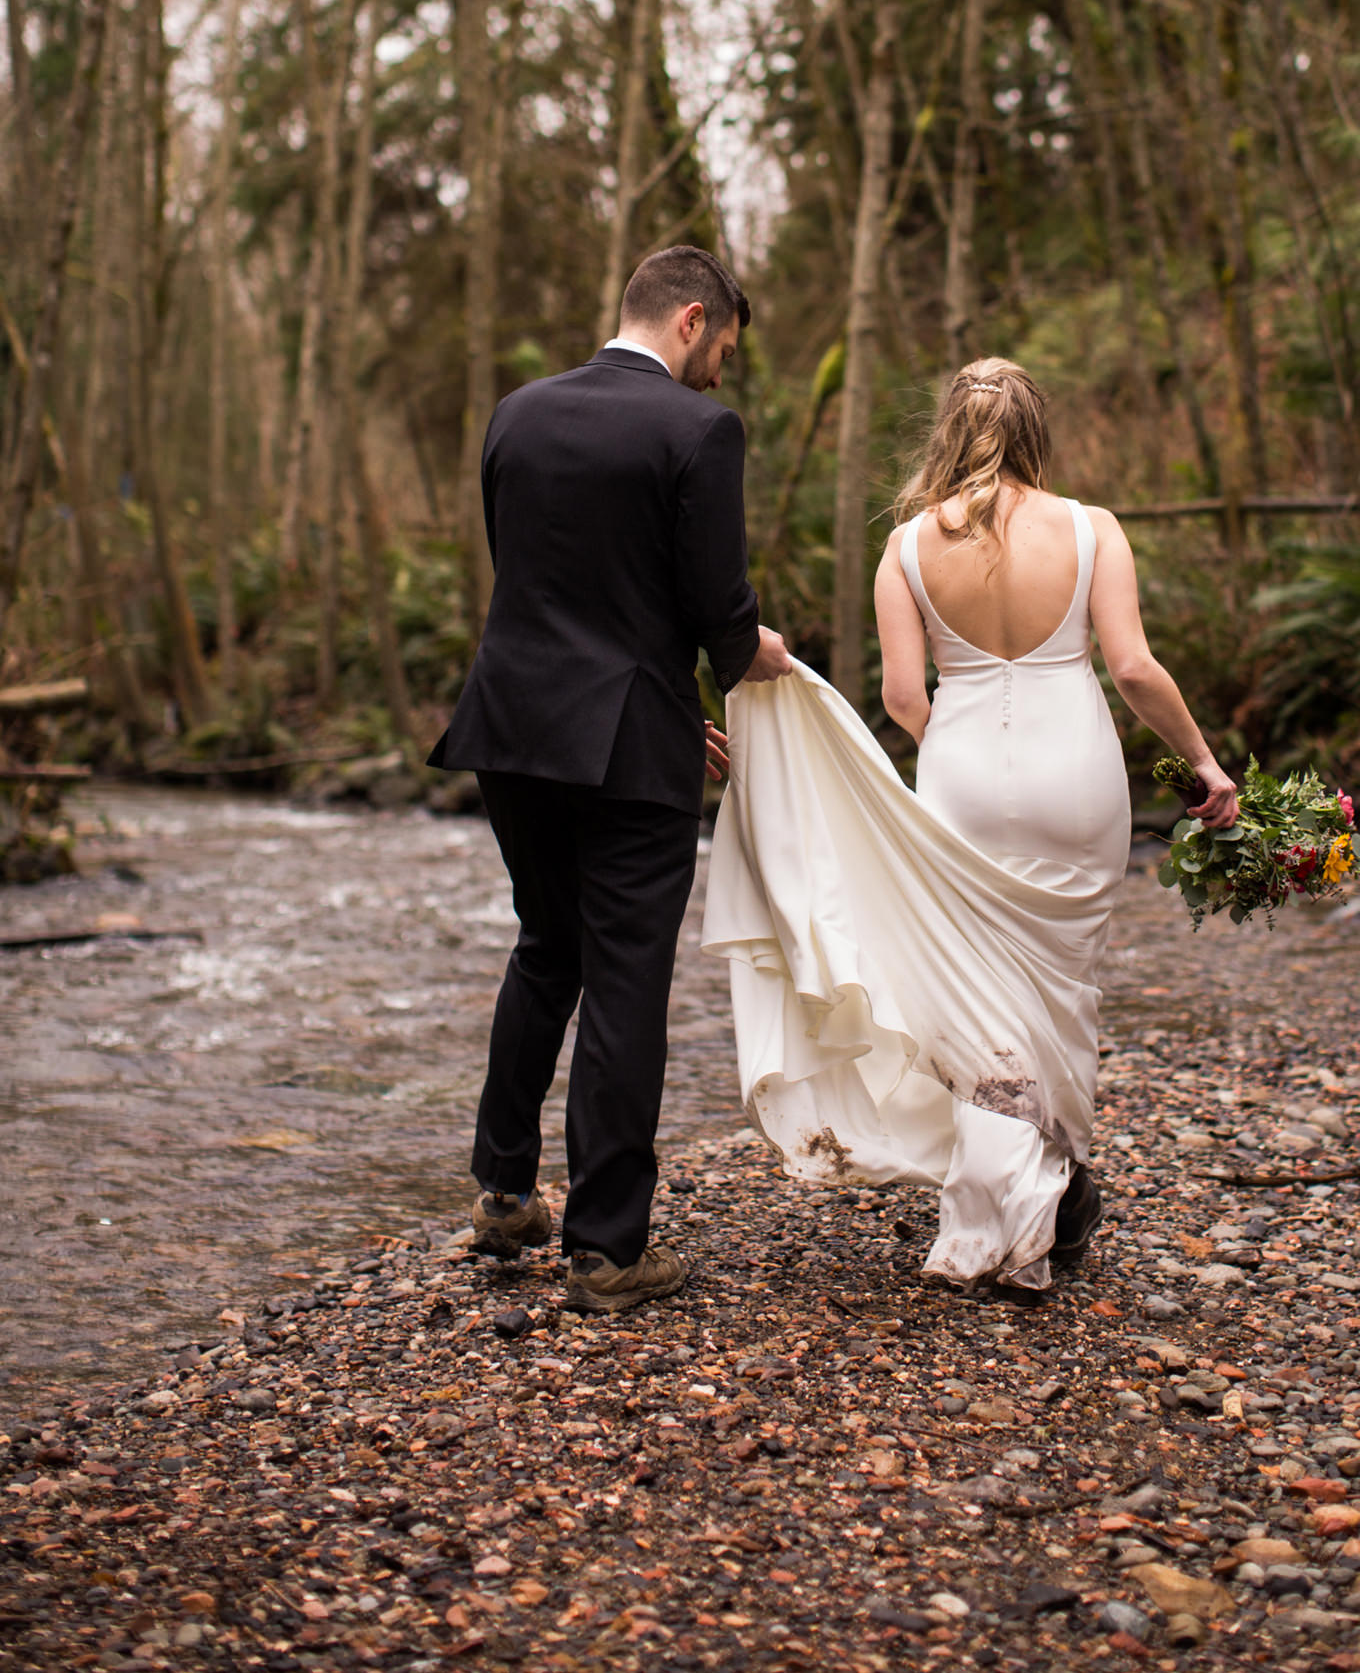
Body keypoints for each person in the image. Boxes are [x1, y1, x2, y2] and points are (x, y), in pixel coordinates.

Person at [705, 357, 1235, 1292]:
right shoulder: (1092, 529)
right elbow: (1136, 668)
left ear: (947, 430)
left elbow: (904, 697)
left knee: (981, 992)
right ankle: (1044, 1194)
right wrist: (1202, 760)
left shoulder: (906, 547)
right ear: (1037, 430)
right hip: (1075, 769)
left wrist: (955, 739)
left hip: (960, 773)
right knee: (1062, 986)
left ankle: (1004, 1205)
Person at [430, 245, 792, 1313]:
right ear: (691, 319)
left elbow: (542, 580)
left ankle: (502, 1193)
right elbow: (713, 600)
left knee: (547, 947)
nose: (721, 372)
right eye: (722, 347)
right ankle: (605, 1247)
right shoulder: (697, 430)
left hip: (509, 726)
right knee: (626, 977)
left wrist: (669, 704)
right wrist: (750, 657)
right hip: (626, 748)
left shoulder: (516, 413)